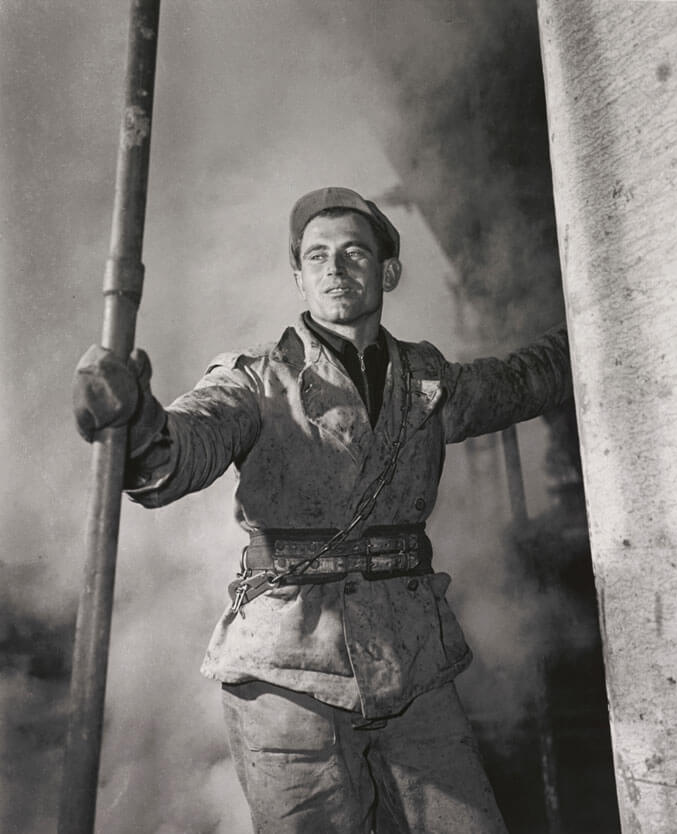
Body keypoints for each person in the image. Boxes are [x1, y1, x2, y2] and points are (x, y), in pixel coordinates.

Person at [73, 186, 571, 833]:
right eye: (317, 256)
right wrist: (135, 423)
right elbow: (176, 453)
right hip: (288, 677)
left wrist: (610, 310)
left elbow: (523, 380)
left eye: (353, 253)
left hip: (412, 667)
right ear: (298, 276)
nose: (334, 270)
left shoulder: (427, 382)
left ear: (387, 270)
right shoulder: (255, 381)